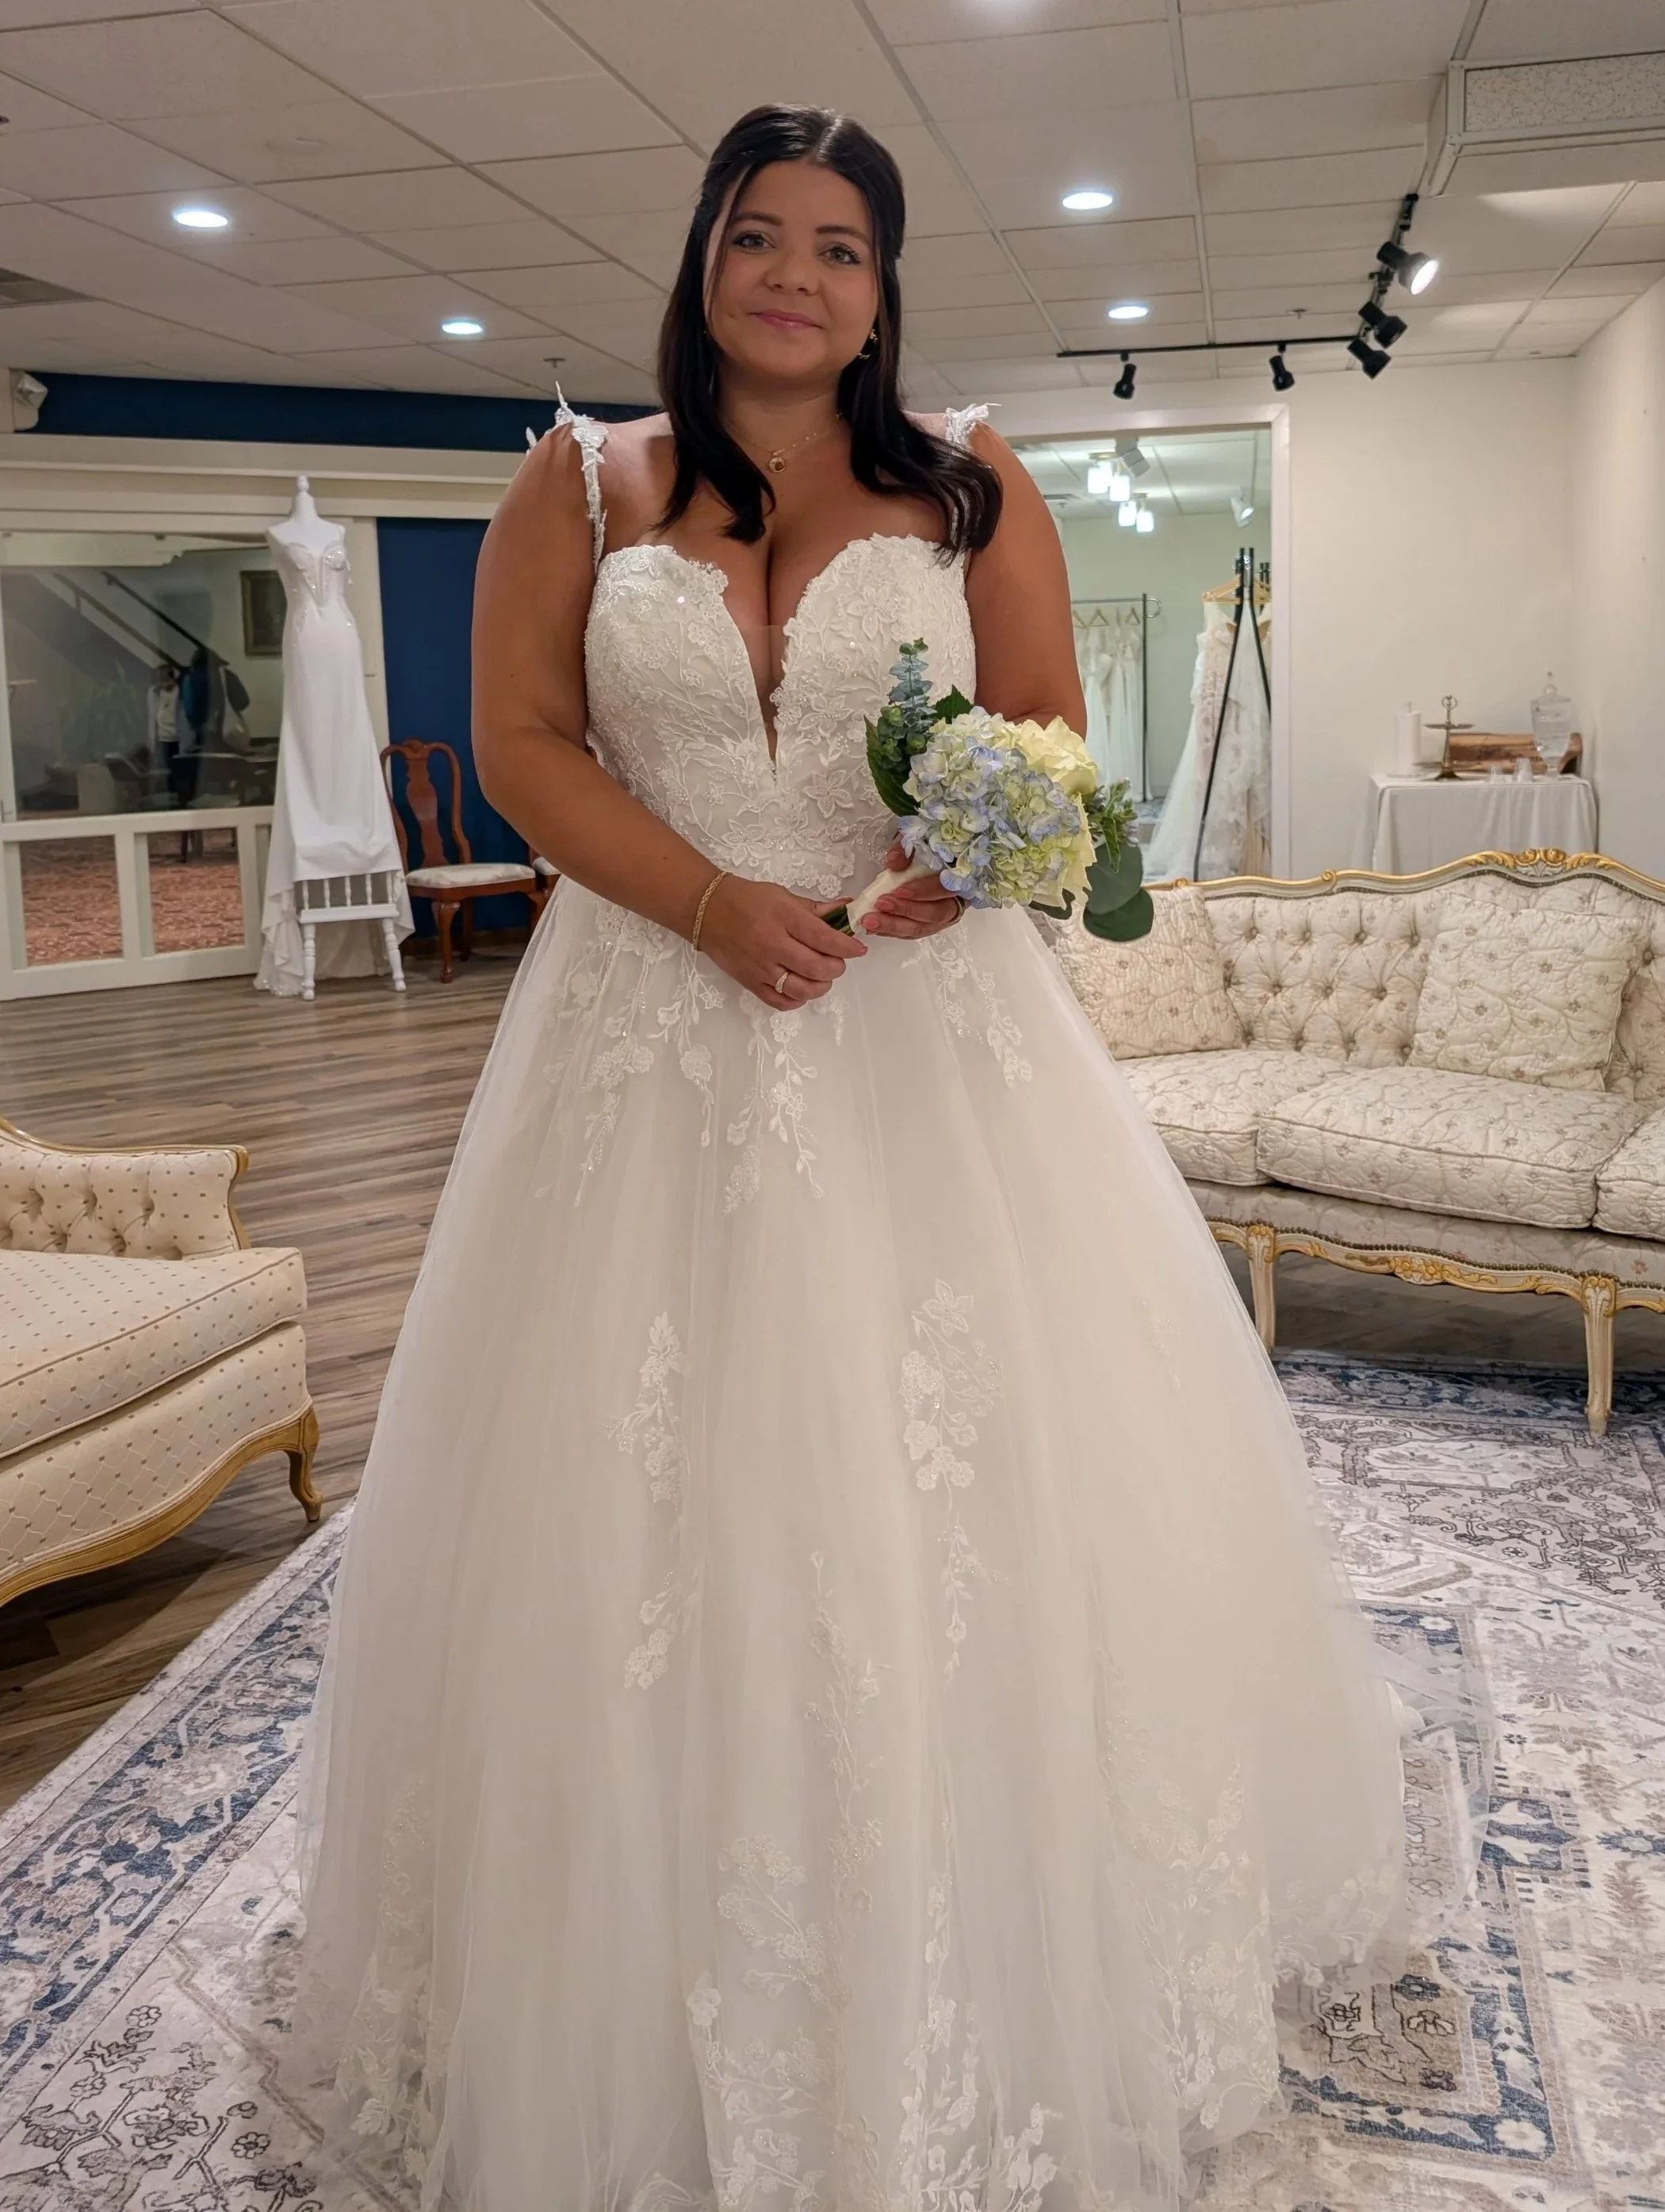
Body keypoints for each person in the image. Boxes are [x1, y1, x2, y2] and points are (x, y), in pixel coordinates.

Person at [293, 105, 1410, 2212]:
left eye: (839, 245)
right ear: (703, 254)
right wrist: (709, 905)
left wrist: (961, 855)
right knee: (632, 1493)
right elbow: (527, 740)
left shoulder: (971, 481)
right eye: (758, 234)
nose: (795, 274)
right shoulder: (577, 477)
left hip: (923, 1028)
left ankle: (1000, 1935)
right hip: (646, 1017)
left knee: (972, 1474)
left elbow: (1059, 730)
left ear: (885, 289)